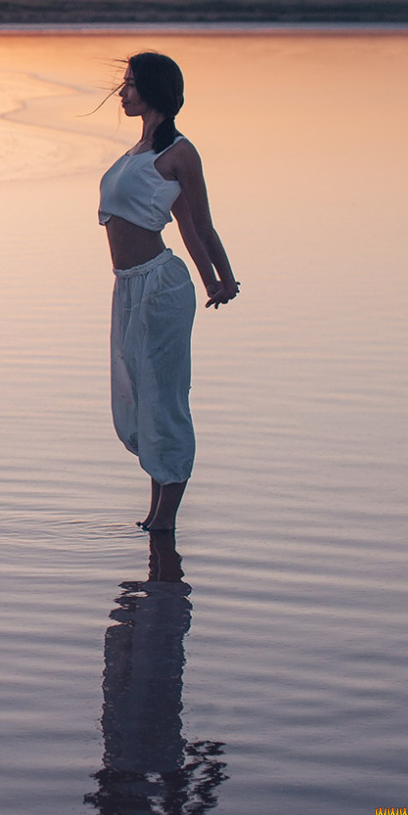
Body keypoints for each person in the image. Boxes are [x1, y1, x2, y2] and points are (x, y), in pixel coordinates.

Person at [98, 52, 237, 532]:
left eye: (132, 84)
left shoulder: (180, 153)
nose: (123, 93)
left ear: (155, 89)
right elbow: (181, 222)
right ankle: (155, 513)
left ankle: (165, 522)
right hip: (128, 288)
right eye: (124, 83)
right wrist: (213, 278)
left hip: (160, 287)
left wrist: (221, 279)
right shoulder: (136, 152)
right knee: (140, 395)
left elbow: (198, 226)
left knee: (165, 400)